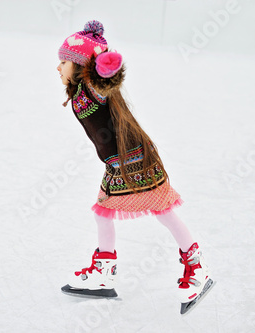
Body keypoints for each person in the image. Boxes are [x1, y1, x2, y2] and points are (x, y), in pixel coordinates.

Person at [56, 20, 214, 313]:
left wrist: (105, 68)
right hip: (119, 163)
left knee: (162, 209)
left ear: (80, 67)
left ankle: (197, 268)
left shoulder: (92, 88)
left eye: (64, 61)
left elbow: (105, 82)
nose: (59, 67)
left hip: (135, 160)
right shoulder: (79, 91)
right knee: (105, 212)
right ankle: (103, 274)